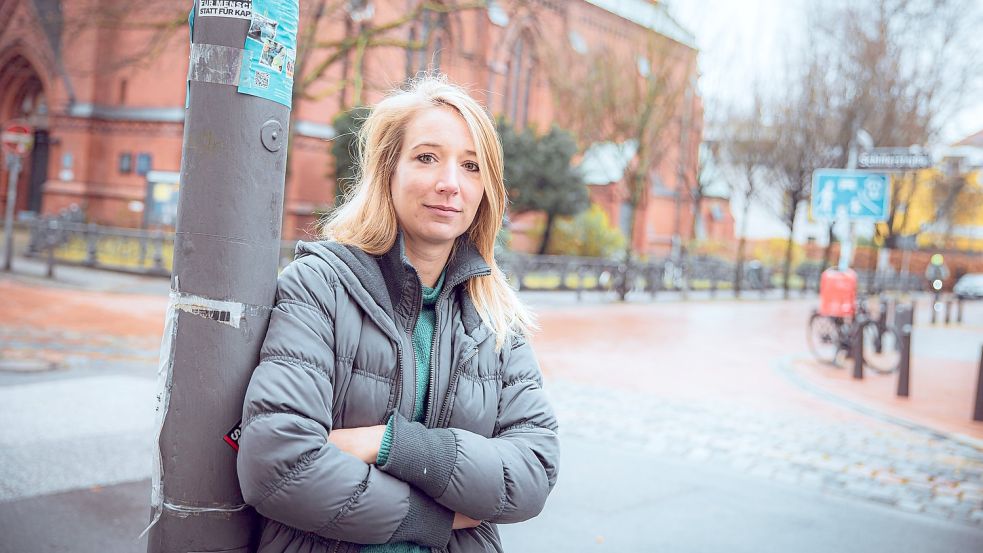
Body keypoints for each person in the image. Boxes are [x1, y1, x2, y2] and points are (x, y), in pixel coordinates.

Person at [237, 75, 560, 553]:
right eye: (427, 157)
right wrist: (440, 516)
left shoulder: (496, 318)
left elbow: (532, 473)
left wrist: (387, 444)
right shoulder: (319, 286)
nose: (450, 184)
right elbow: (279, 465)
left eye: (471, 166)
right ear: (388, 170)